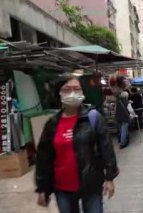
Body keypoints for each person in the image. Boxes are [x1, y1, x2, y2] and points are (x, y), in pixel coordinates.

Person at [35, 76, 119, 213]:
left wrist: (110, 178)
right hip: (63, 188)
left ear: (83, 93)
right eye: (67, 89)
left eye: (77, 89)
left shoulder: (93, 118)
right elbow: (44, 158)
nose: (72, 93)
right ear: (59, 93)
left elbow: (106, 149)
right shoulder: (52, 124)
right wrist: (43, 188)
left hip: (91, 184)